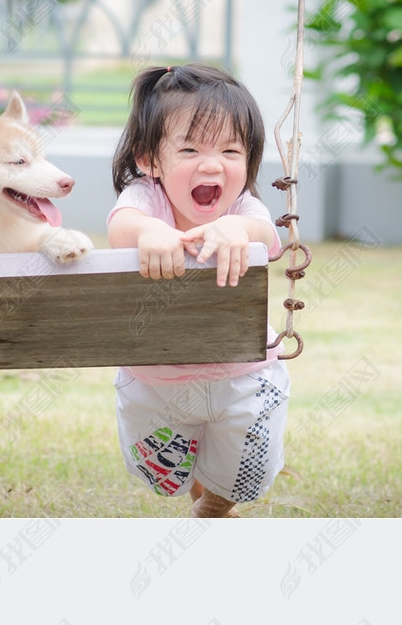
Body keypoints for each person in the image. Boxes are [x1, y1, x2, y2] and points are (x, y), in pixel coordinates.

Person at [107, 63, 291, 517]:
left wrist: (235, 228)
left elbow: (267, 235)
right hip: (157, 379)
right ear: (148, 158)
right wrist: (149, 231)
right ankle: (199, 495)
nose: (213, 164)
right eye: (190, 148)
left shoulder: (241, 206)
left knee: (243, 467)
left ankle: (213, 508)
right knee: (168, 472)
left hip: (242, 374)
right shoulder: (146, 198)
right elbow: (121, 227)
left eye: (231, 150)